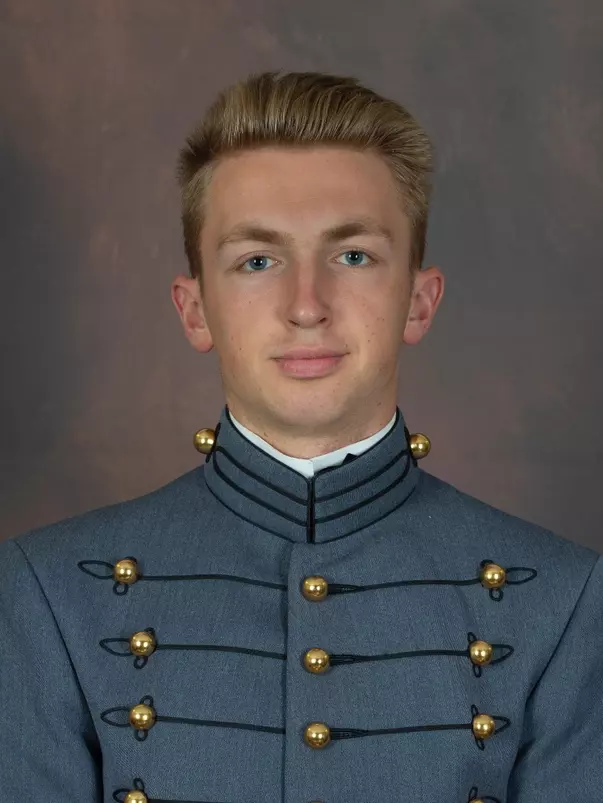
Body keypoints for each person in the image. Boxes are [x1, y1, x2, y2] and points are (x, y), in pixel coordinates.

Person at [0, 71, 601, 803]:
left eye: (352, 255)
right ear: (195, 311)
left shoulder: (567, 601)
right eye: (257, 260)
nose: (306, 306)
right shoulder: (47, 593)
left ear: (418, 299)